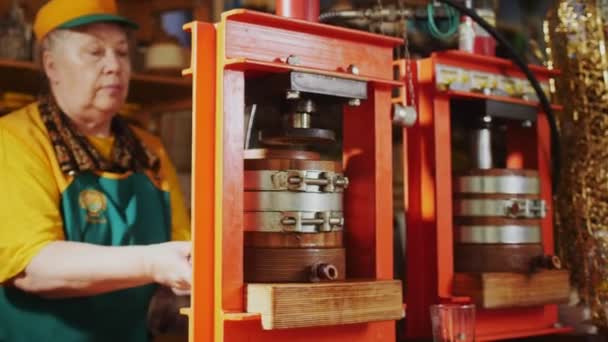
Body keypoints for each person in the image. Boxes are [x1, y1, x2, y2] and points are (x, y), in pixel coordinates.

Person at [0, 0, 192, 341]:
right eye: (95, 52)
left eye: (121, 52)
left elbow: (181, 247)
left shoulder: (150, 149)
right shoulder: (14, 140)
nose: (114, 66)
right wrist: (152, 264)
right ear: (51, 65)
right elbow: (33, 267)